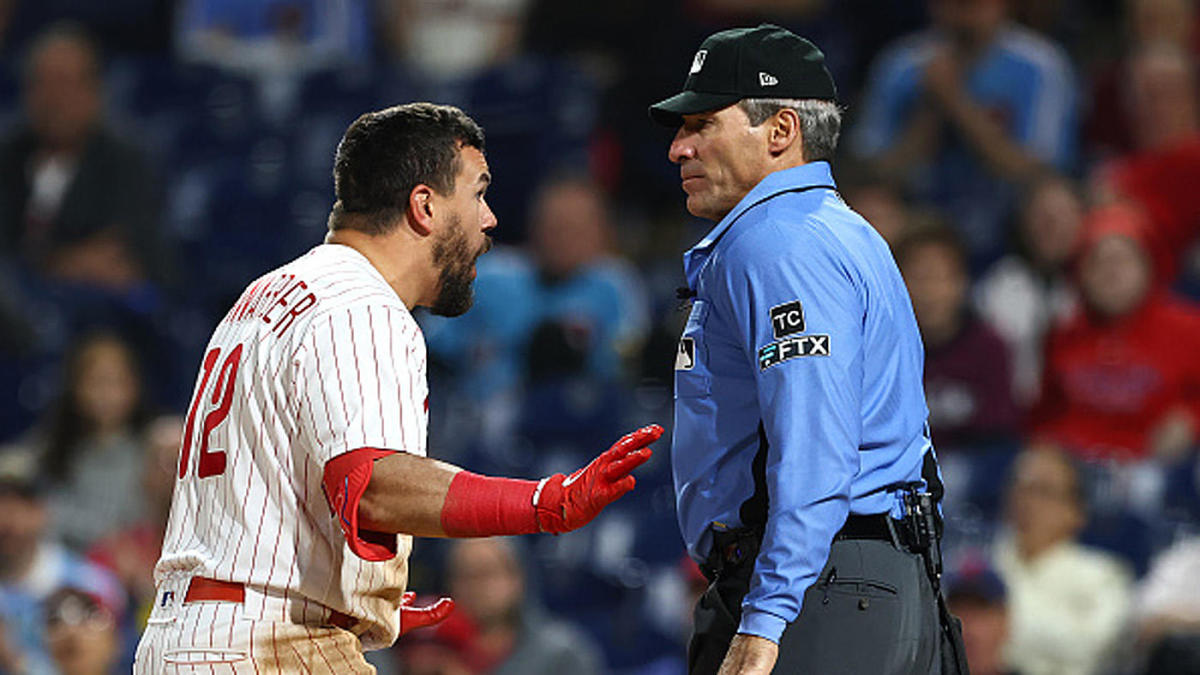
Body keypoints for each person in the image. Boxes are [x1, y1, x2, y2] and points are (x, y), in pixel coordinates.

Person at [132, 102, 662, 673]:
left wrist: (350, 593)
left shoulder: (269, 293)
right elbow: (374, 485)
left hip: (195, 633)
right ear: (425, 205)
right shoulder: (364, 306)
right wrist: (541, 503)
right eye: (478, 193)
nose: (490, 220)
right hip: (263, 645)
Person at [648, 24, 963, 675]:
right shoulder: (836, 229)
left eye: (703, 122)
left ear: (781, 131)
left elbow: (816, 444)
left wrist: (766, 619)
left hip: (818, 586)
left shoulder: (778, 243)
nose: (680, 147)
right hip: (863, 579)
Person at [851, 0, 1077, 269]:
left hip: (1010, 223)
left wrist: (955, 100)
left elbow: (1036, 171)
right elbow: (877, 171)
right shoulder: (901, 65)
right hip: (918, 223)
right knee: (871, 206)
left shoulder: (1039, 64)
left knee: (1052, 201)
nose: (965, 15)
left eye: (974, 5)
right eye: (955, 4)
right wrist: (930, 108)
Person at [0, 23, 162, 290]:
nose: (53, 100)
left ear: (94, 93)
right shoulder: (7, 156)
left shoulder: (126, 162)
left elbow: (126, 254)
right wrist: (59, 265)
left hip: (94, 309)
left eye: (64, 84)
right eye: (41, 84)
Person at [992, 446, 1133, 675]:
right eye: (1021, 488)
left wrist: (994, 623)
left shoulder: (1103, 575)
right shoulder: (978, 564)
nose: (1028, 502)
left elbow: (1093, 648)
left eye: (1044, 491)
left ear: (1076, 512)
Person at [392, 538, 603, 674]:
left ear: (517, 579)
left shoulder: (562, 654)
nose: (475, 586)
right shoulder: (424, 647)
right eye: (463, 575)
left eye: (486, 573)